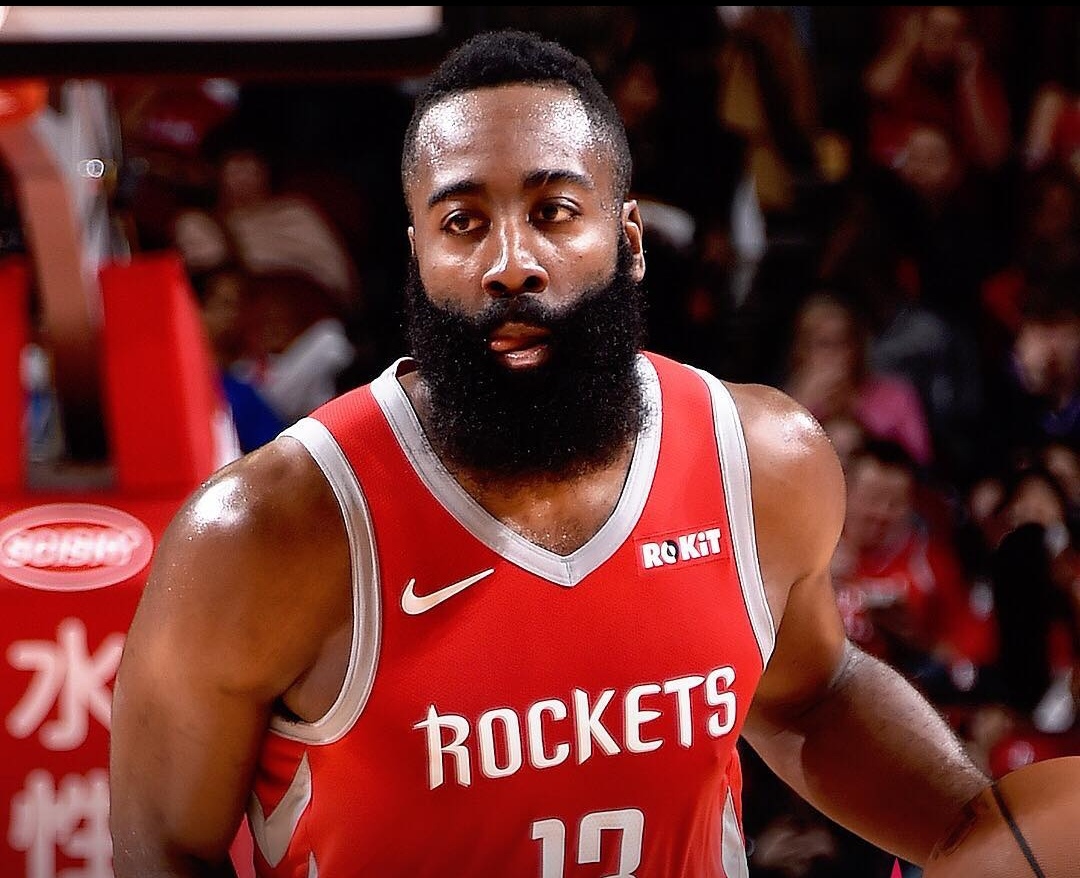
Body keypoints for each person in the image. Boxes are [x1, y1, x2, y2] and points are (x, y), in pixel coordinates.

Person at [109, 29, 992, 878]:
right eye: (463, 222)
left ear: (630, 238)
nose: (511, 263)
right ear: (418, 258)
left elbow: (812, 699)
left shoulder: (760, 462)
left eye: (553, 211)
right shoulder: (265, 530)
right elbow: (162, 846)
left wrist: (980, 835)